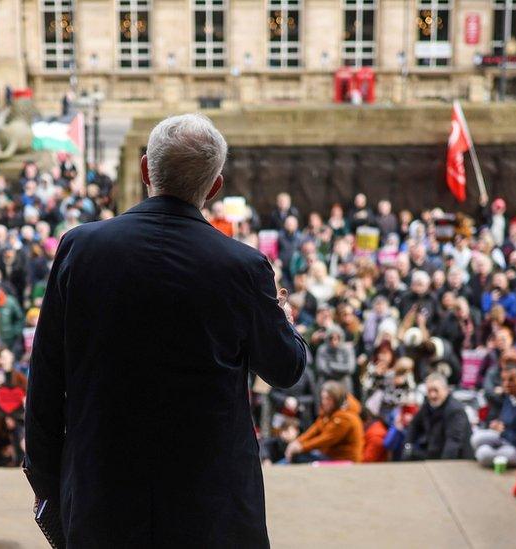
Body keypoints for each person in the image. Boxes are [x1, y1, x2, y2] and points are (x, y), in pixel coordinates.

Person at [24, 114, 308, 547]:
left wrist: (48, 489)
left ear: (145, 170)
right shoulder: (242, 267)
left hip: (103, 495)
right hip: (210, 506)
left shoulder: (79, 248)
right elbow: (286, 368)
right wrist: (282, 318)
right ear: (214, 187)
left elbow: (45, 379)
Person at [284, 381, 364, 463]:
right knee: (295, 455)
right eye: (323, 398)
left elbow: (326, 439)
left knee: (299, 457)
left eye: (328, 399)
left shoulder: (345, 418)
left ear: (337, 399)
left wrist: (302, 447)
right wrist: (298, 442)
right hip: (329, 455)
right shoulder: (329, 411)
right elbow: (315, 428)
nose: (324, 402)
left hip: (343, 459)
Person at [470, 363, 516, 468]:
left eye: (511, 380)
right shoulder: (509, 396)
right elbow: (504, 420)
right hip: (505, 437)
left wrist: (503, 431)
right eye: (504, 380)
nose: (506, 384)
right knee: (476, 438)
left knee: (483, 454)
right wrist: (496, 424)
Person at [403, 374, 473, 460]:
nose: (433, 395)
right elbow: (414, 425)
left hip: (455, 459)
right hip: (433, 451)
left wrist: (441, 467)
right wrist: (408, 446)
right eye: (429, 391)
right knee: (408, 454)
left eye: (436, 390)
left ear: (446, 390)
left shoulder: (455, 410)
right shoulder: (428, 405)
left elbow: (453, 443)